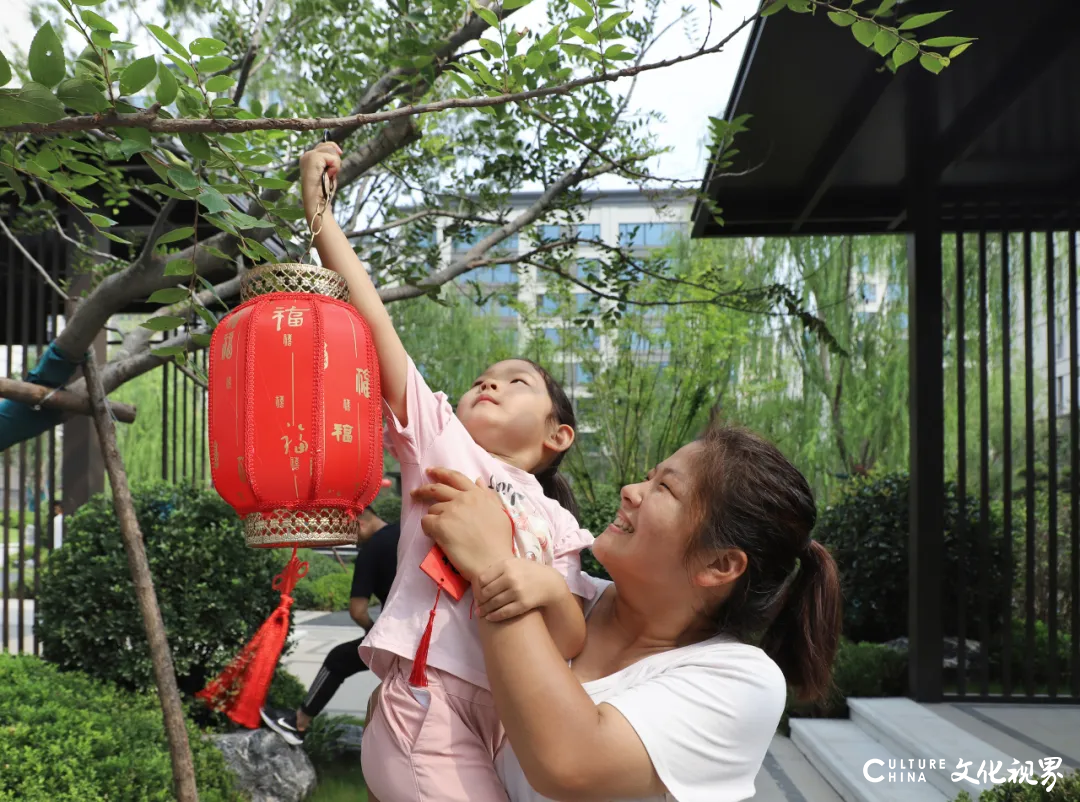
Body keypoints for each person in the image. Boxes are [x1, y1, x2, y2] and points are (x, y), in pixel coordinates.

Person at [299, 142, 597, 802]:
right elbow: (372, 316)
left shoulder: (560, 522)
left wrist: (543, 589)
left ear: (558, 435)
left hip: (505, 715)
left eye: (516, 382)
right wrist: (318, 210)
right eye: (480, 379)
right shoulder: (443, 444)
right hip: (427, 704)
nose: (489, 383)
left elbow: (571, 633)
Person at [412, 420, 844, 802]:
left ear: (719, 564)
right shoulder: (563, 595)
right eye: (647, 477)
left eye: (666, 489)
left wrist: (494, 564)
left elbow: (568, 762)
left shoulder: (743, 680)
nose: (630, 491)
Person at [260, 507, 400, 745]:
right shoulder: (404, 533)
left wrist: (372, 631)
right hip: (430, 632)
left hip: (397, 639)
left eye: (348, 533)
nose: (349, 541)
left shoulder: (371, 550)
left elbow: (358, 611)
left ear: (359, 523)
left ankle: (298, 724)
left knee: (338, 659)